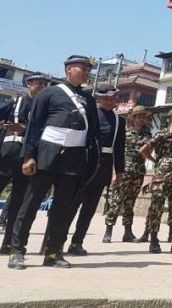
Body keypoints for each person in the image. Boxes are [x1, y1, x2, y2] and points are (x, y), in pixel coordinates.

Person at [9, 55, 100, 270]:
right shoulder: (49, 93)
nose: (87, 72)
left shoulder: (89, 99)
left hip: (74, 159)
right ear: (69, 69)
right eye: (83, 68)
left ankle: (53, 252)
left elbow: (93, 133)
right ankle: (17, 250)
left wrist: (90, 163)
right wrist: (29, 156)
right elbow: (34, 126)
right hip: (47, 155)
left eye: (89, 69)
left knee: (62, 209)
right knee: (30, 204)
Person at [64, 85, 126, 256]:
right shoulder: (89, 113)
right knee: (73, 205)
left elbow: (119, 148)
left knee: (89, 208)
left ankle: (77, 242)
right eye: (106, 98)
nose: (109, 102)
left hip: (104, 165)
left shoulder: (120, 120)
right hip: (85, 163)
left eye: (113, 99)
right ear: (98, 99)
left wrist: (119, 171)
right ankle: (57, 240)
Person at [0, 74, 49, 254]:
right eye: (39, 83)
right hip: (5, 158)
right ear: (29, 84)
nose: (43, 86)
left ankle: (7, 244)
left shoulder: (47, 109)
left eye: (46, 84)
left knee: (17, 205)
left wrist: (24, 128)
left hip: (27, 163)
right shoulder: (14, 103)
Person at [139, 107, 172, 254]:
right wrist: (156, 161)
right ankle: (154, 241)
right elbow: (143, 150)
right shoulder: (161, 135)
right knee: (156, 209)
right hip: (160, 179)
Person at [103, 105, 151, 243]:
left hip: (139, 171)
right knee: (116, 201)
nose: (142, 119)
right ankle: (108, 231)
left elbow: (148, 151)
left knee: (130, 202)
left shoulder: (148, 135)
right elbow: (116, 153)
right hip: (124, 170)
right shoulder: (125, 133)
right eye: (139, 116)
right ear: (134, 118)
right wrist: (114, 172)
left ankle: (128, 232)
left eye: (144, 116)